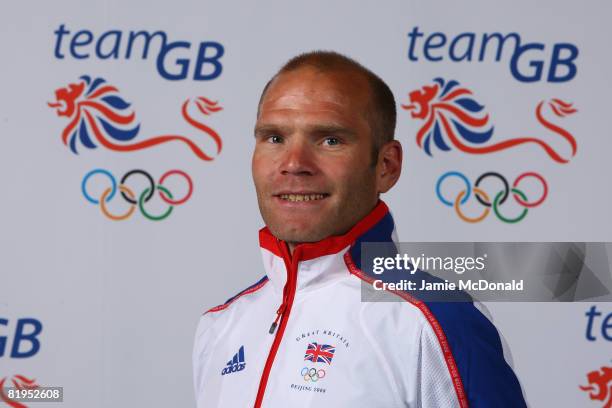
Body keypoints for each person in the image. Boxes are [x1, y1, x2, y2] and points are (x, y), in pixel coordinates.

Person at [193, 51, 527, 407]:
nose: (293, 164)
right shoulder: (221, 326)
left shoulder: (435, 321)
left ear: (386, 166)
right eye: (274, 138)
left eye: (330, 140)